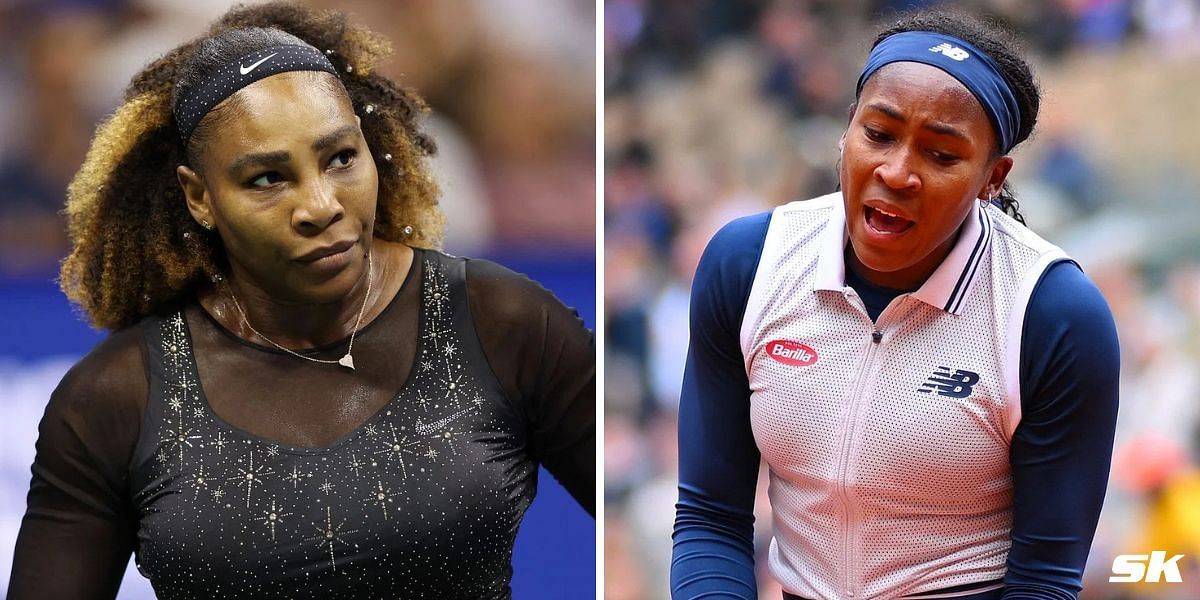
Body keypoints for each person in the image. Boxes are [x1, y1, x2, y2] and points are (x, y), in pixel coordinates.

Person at [7, 3, 594, 599]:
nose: (320, 206)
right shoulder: (115, 397)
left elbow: (685, 516)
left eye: (341, 159)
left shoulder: (503, 321)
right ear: (199, 197)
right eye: (267, 179)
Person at [671, 10, 1118, 600]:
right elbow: (710, 518)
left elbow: (1044, 580)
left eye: (941, 155)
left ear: (993, 176)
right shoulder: (748, 264)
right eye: (878, 134)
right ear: (846, 128)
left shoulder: (1053, 314)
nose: (897, 171)